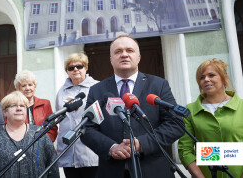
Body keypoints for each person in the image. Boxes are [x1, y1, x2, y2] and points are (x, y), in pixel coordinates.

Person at [80, 35, 184, 178]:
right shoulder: (97, 90)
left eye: (130, 50)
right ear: (111, 59)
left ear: (139, 57)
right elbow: (87, 129)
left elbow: (175, 124)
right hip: (112, 171)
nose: (124, 54)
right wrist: (111, 147)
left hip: (153, 170)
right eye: (118, 51)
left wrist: (142, 144)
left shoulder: (158, 85)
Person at [178, 59, 243, 178]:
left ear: (224, 78)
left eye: (211, 75)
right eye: (202, 78)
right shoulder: (190, 111)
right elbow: (185, 150)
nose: (206, 79)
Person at [0, 91, 59, 178]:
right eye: (13, 105)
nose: (19, 108)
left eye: (22, 106)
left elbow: (53, 168)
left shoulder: (40, 135)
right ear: (4, 112)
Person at [56, 53, 99, 178]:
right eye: (71, 68)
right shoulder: (61, 91)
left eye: (79, 66)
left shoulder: (96, 86)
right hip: (68, 149)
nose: (75, 69)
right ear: (67, 71)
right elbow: (60, 118)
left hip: (90, 149)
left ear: (85, 68)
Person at [14, 70, 58, 142]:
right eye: (23, 85)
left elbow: (52, 129)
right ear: (19, 88)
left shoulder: (45, 104)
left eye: (30, 85)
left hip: (43, 147)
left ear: (35, 86)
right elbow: (10, 130)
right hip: (22, 148)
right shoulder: (13, 107)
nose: (27, 88)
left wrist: (43, 143)